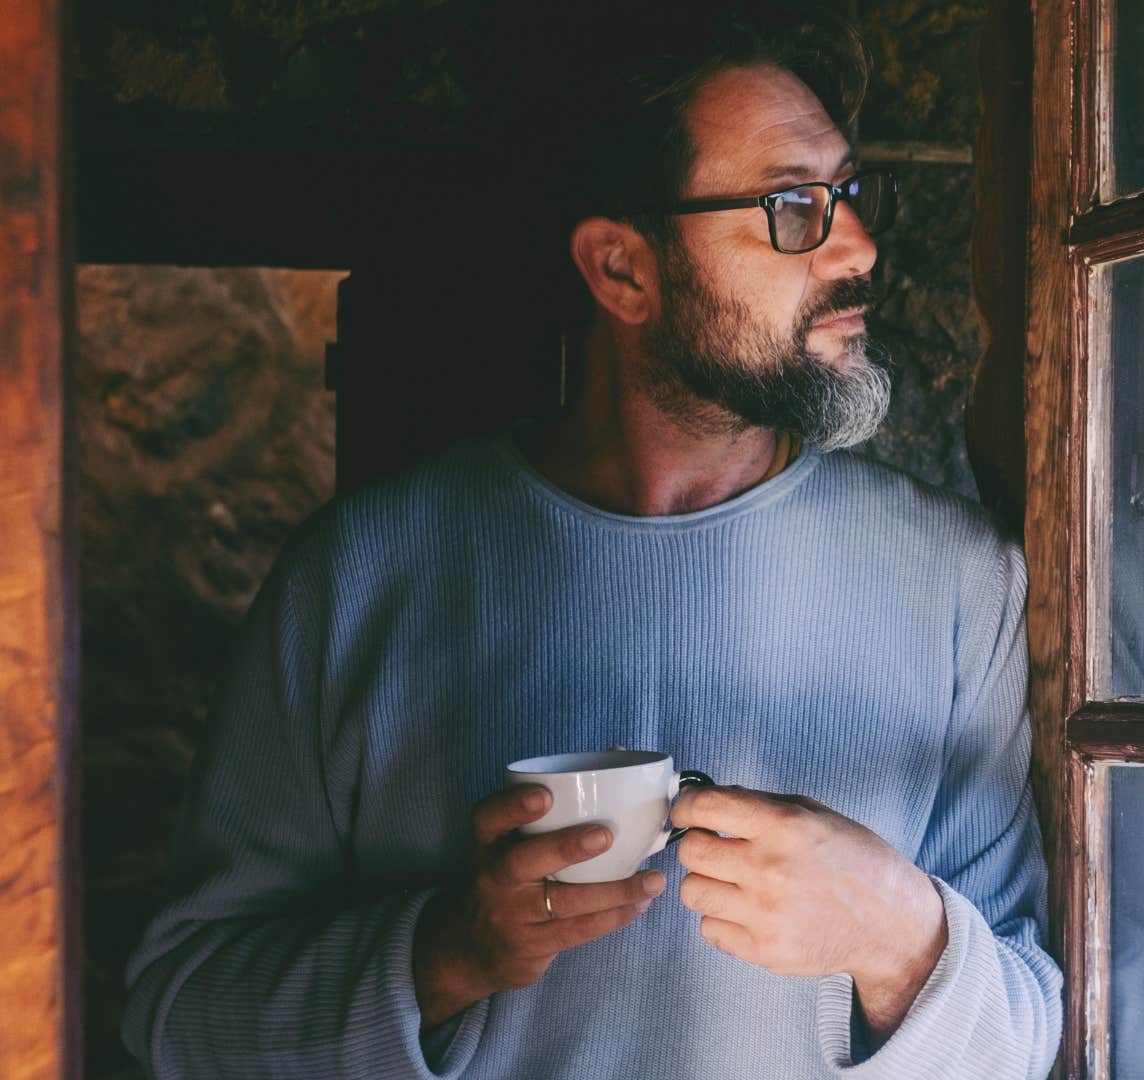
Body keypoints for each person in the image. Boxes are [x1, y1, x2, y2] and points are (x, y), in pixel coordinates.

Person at [120, 6, 1063, 1077]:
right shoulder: (358, 575)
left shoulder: (956, 580)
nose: (861, 248)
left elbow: (1027, 1035)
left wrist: (898, 939)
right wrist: (442, 954)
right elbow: (176, 1015)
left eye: (848, 194)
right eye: (795, 206)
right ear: (622, 271)